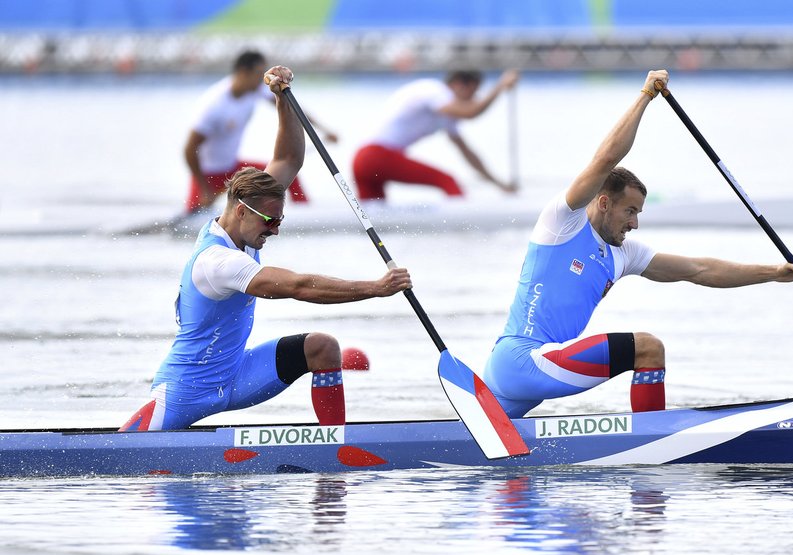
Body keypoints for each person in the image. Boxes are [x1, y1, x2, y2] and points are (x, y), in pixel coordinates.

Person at [482, 70, 793, 419]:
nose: (635, 223)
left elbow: (701, 270)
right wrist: (645, 96)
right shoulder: (563, 221)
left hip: (520, 372)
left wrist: (775, 272)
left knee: (474, 439)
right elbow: (605, 161)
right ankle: (654, 434)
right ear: (605, 203)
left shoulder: (624, 255)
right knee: (648, 348)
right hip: (521, 361)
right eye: (630, 211)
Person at [121, 65, 412, 431]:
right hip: (184, 393)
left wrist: (281, 99)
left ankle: (332, 445)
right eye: (269, 223)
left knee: (322, 348)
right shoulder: (217, 261)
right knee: (131, 463)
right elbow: (297, 287)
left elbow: (288, 159)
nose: (274, 231)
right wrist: (375, 288)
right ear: (241, 211)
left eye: (280, 221)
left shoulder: (251, 211)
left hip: (239, 374)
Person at [183, 49, 339, 214]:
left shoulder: (255, 88)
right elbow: (189, 150)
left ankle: (306, 214)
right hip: (208, 174)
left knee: (289, 173)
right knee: (191, 219)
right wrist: (204, 188)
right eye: (259, 74)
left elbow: (292, 106)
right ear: (244, 72)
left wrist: (323, 129)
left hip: (233, 168)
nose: (262, 80)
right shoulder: (213, 105)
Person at [352, 69, 519, 201]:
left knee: (375, 220)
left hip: (363, 160)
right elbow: (471, 113)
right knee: (447, 181)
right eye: (472, 92)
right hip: (377, 156)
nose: (473, 98)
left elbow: (468, 154)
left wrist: (498, 184)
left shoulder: (447, 114)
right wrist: (500, 86)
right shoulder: (434, 91)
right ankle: (462, 230)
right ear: (458, 85)